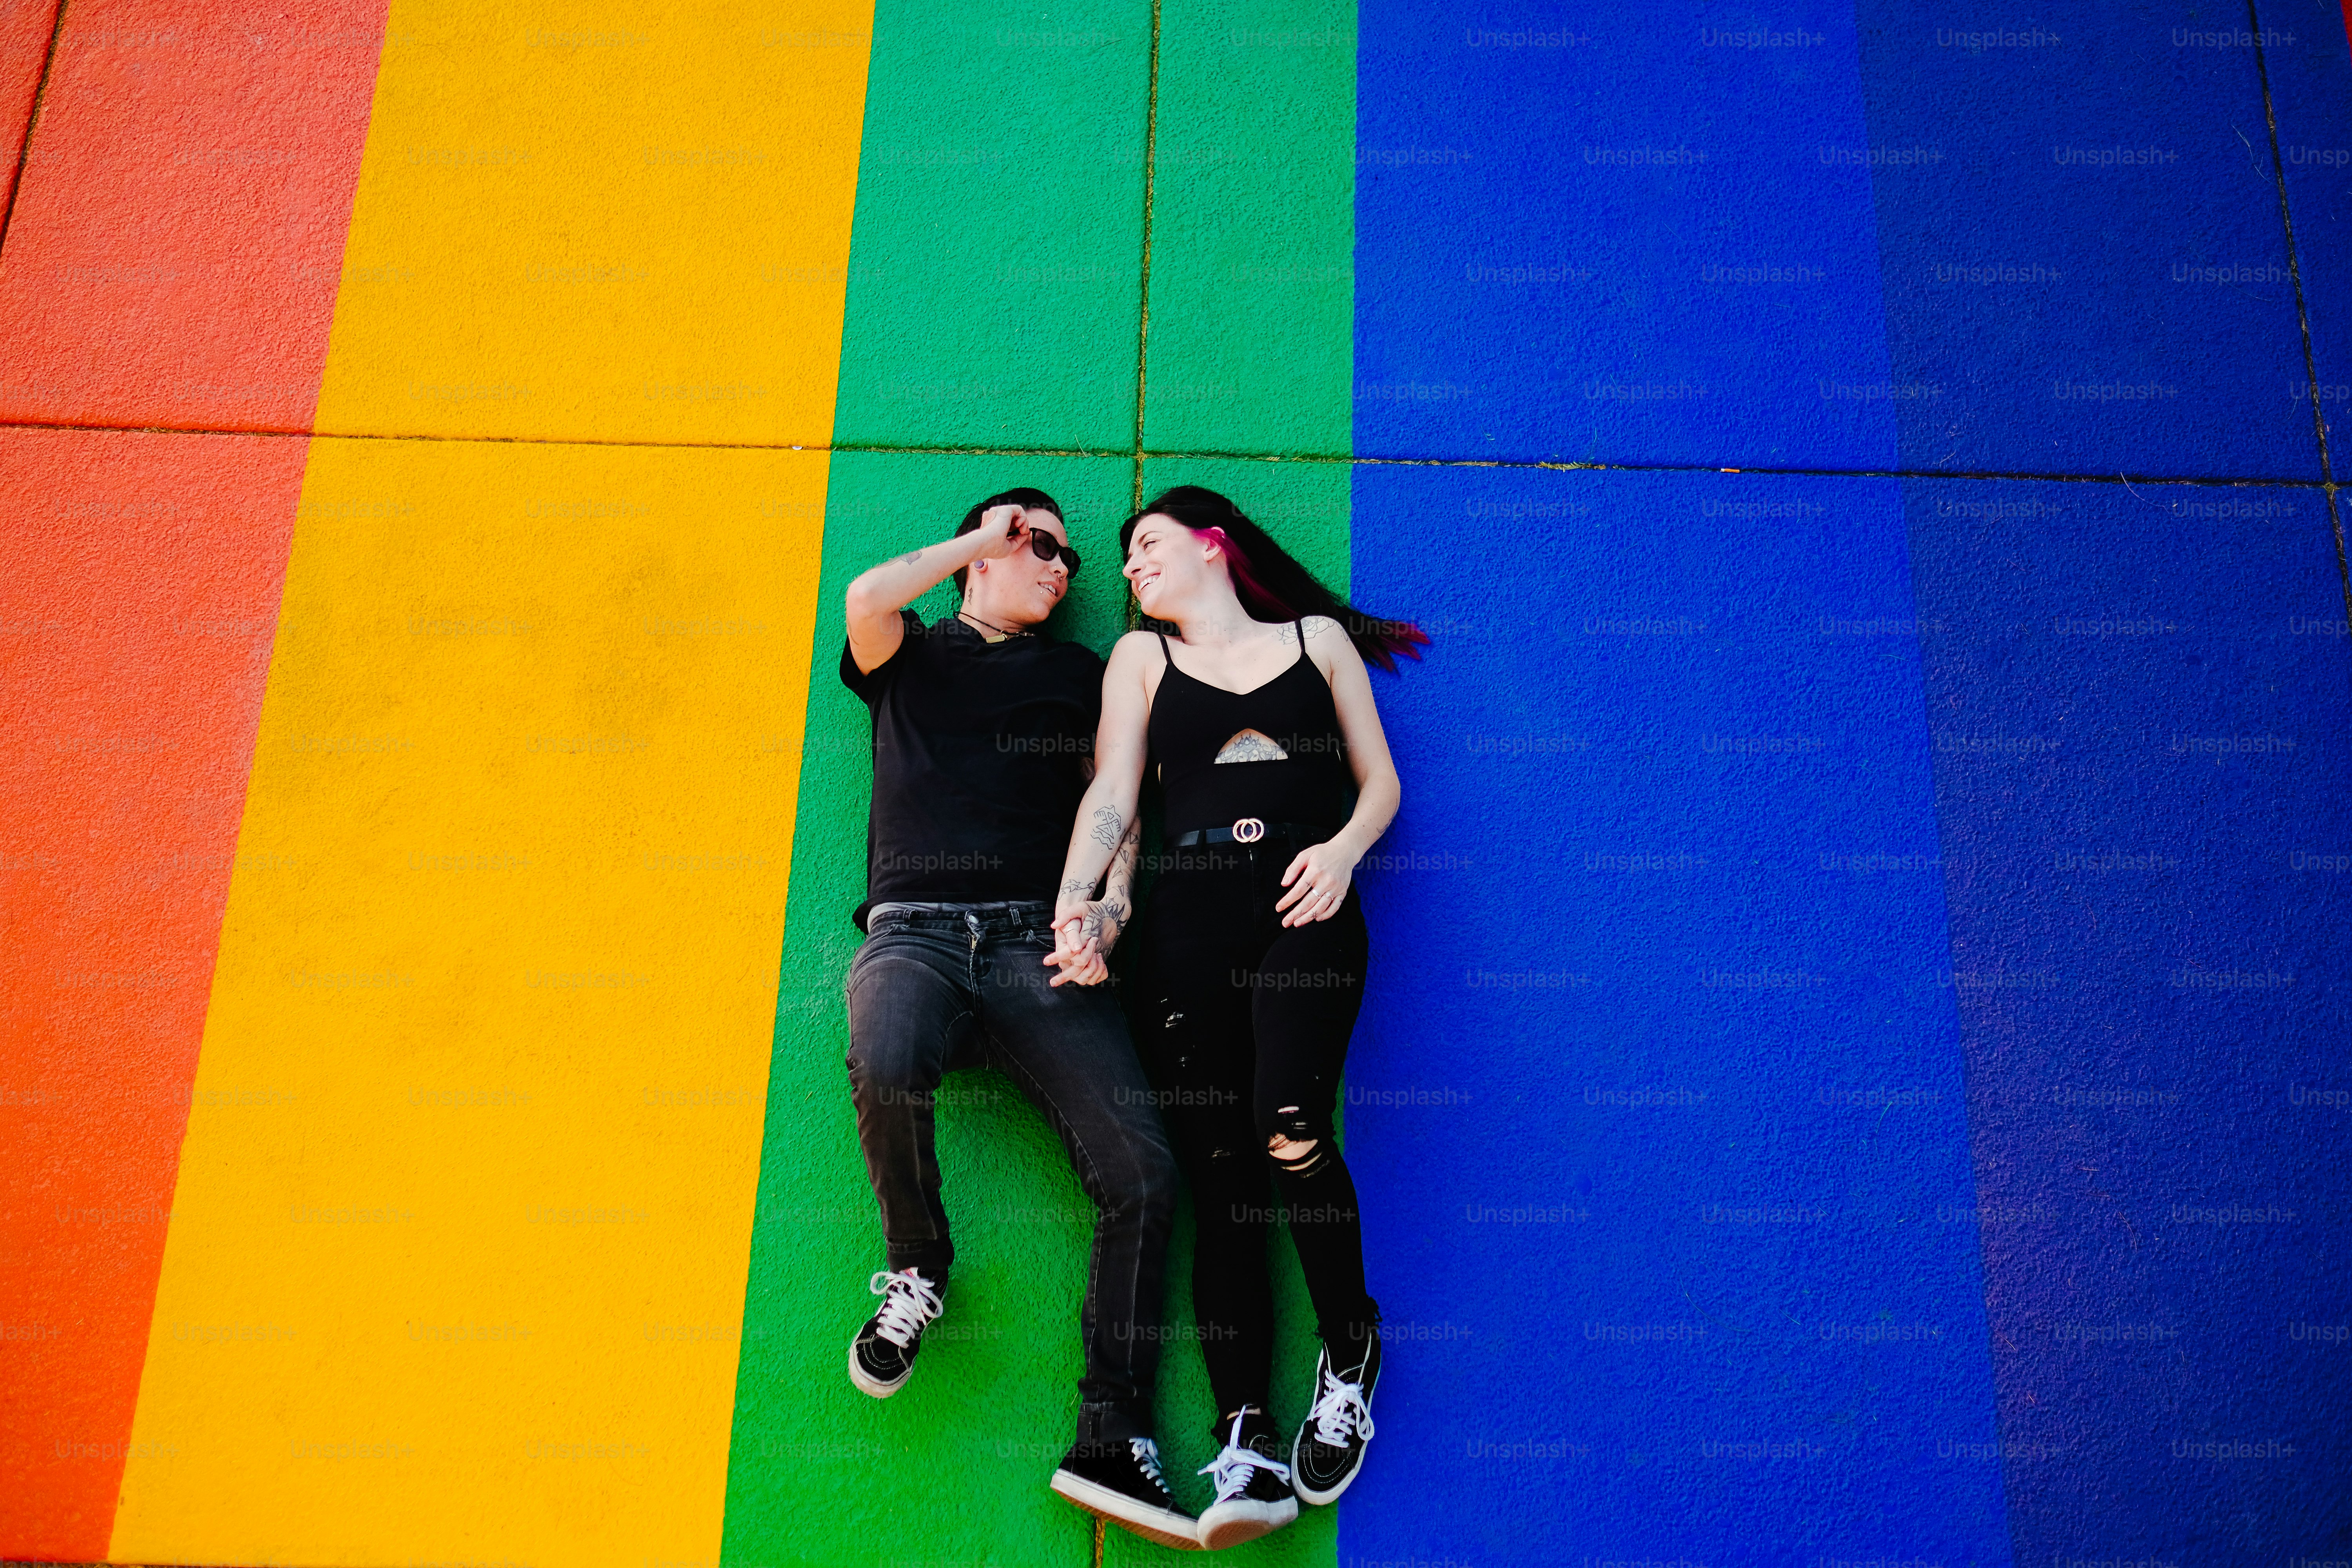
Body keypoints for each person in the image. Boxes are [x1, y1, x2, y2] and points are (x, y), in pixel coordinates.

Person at [1047, 486, 1424, 1550]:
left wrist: (1346, 853)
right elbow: (1114, 794)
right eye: (1124, 560)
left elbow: (1381, 781)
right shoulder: (1140, 664)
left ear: (1214, 546)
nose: (1132, 567)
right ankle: (1249, 1442)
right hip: (1188, 926)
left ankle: (1350, 1348)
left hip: (1307, 901)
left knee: (1288, 1127)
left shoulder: (1316, 643)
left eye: (1149, 546)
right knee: (1222, 1183)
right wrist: (1082, 905)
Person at [837, 488, 1199, 1552]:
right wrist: (979, 539)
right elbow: (864, 594)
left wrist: (1109, 910)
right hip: (912, 930)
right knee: (884, 1049)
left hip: (1039, 941)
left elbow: (1117, 802)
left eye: (1065, 555)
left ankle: (1111, 1433)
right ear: (980, 557)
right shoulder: (906, 653)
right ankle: (919, 1266)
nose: (1058, 564)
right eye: (1037, 544)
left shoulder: (1080, 677)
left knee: (1145, 1174)